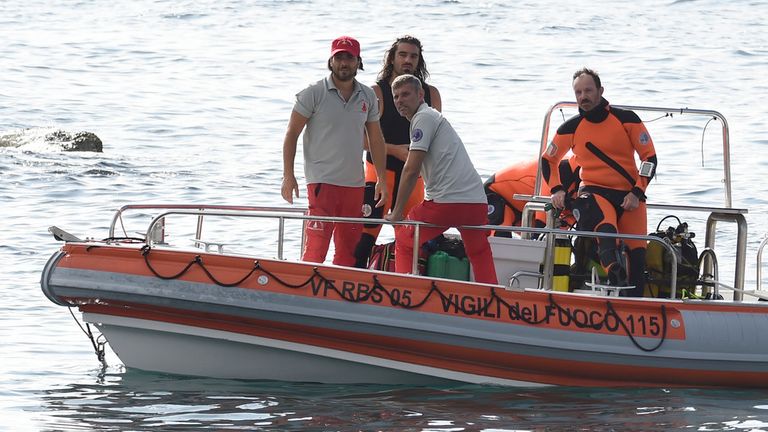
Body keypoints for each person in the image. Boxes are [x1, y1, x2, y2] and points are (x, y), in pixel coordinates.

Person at [542, 67, 657, 296]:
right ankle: (614, 271)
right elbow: (548, 159)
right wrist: (556, 189)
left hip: (629, 196)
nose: (583, 97)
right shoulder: (571, 128)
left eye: (588, 90)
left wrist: (637, 192)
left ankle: (634, 307)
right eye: (578, 92)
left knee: (637, 258)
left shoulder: (626, 119)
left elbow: (649, 158)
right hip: (594, 193)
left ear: (600, 90)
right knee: (605, 233)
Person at [281, 36, 388, 266]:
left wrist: (381, 178)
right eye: (339, 57)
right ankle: (305, 295)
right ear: (331, 61)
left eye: (349, 58)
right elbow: (291, 134)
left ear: (358, 61)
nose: (344, 63)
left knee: (349, 251)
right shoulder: (313, 92)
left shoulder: (368, 95)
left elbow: (376, 139)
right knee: (316, 248)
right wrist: (288, 175)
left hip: (354, 184)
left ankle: (341, 298)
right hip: (322, 182)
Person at [385, 74, 497, 285]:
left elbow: (411, 168)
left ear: (420, 95)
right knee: (479, 253)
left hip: (446, 203)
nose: (400, 100)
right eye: (396, 96)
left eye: (406, 94)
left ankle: (404, 290)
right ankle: (490, 298)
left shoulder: (423, 117)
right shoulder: (434, 118)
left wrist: (397, 213)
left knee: (404, 239)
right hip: (476, 202)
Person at [353, 35, 442, 268]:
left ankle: (407, 286)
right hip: (380, 174)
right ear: (392, 58)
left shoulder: (430, 94)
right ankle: (351, 282)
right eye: (402, 55)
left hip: (415, 177)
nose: (408, 60)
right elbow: (359, 139)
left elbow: (438, 137)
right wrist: (394, 150)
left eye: (413, 56)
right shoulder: (377, 92)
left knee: (413, 241)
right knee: (365, 236)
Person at [485, 157, 581, 236]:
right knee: (500, 239)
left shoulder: (588, 182)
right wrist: (541, 230)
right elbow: (544, 204)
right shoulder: (561, 169)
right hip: (498, 194)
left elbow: (571, 216)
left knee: (553, 242)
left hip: (526, 210)